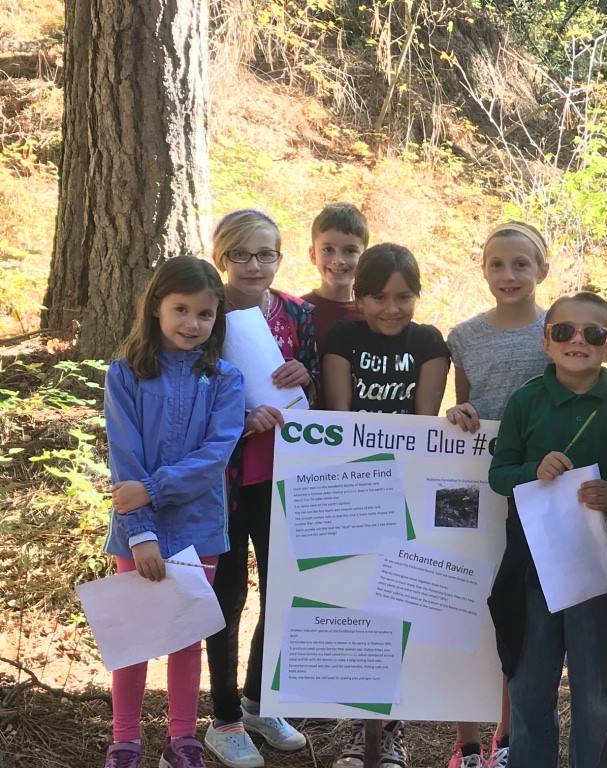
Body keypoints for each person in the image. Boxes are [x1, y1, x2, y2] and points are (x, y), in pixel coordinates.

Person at [101, 256, 245, 768]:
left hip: (200, 529)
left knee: (186, 635)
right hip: (136, 532)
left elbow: (215, 456)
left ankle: (182, 738)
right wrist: (139, 532)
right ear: (156, 308)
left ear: (217, 318)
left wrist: (154, 489)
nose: (192, 323)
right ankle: (126, 740)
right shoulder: (125, 374)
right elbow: (125, 454)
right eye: (180, 309)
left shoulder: (225, 379)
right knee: (135, 638)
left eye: (204, 314)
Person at [488, 291, 607, 768]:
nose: (579, 340)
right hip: (532, 564)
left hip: (598, 566)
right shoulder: (526, 401)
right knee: (531, 681)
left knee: (593, 685)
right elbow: (498, 475)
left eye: (594, 334)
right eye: (564, 331)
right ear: (546, 341)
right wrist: (533, 471)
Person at [322, 242, 451, 768]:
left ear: (417, 296)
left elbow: (423, 423)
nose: (392, 308)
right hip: (353, 489)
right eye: (378, 297)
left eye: (404, 296)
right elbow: (339, 420)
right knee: (356, 605)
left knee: (398, 608)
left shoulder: (430, 342)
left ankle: (391, 729)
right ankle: (360, 727)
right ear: (359, 295)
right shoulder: (341, 338)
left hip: (410, 490)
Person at [204, 210, 318, 768]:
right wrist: (236, 421)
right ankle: (222, 717)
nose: (255, 265)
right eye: (242, 255)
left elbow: (319, 390)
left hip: (286, 477)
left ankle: (258, 701)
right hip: (224, 480)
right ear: (222, 257)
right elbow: (189, 389)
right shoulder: (205, 311)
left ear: (280, 256)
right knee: (226, 598)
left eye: (266, 254)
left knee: (283, 593)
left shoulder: (299, 313)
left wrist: (306, 376)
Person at [444, 222, 551, 768]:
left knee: (513, 606)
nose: (508, 275)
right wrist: (457, 413)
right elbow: (463, 407)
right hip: (472, 483)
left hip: (535, 489)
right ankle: (465, 741)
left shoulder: (559, 330)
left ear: (542, 270)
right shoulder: (463, 336)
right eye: (496, 265)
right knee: (466, 594)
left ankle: (506, 738)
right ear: (483, 269)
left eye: (520, 265)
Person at [302, 202, 369, 360]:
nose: (338, 260)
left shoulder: (373, 315)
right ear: (313, 255)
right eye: (327, 250)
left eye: (350, 251)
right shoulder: (298, 313)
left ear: (365, 257)